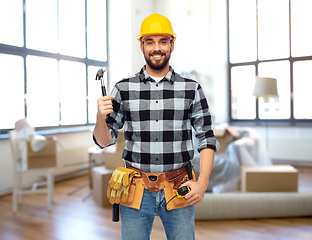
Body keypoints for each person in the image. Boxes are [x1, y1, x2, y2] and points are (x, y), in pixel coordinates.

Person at [93, 13, 219, 240]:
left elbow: (206, 138)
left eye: (163, 41)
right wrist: (100, 117)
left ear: (172, 44)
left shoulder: (191, 88)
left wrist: (202, 183)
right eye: (150, 42)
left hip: (180, 187)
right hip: (135, 190)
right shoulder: (123, 88)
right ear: (141, 46)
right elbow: (104, 140)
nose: (156, 48)